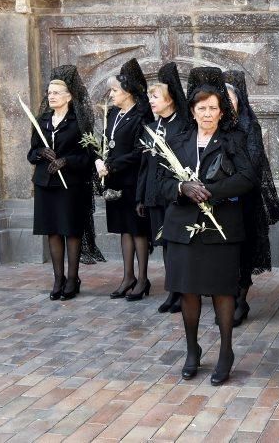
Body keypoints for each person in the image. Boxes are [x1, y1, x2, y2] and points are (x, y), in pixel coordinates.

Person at [159, 67, 256, 386]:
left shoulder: (233, 139)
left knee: (222, 293)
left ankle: (226, 352)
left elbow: (247, 178)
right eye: (202, 108)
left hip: (221, 228)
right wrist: (182, 189)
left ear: (221, 109)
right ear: (192, 110)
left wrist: (212, 192)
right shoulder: (177, 138)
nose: (208, 113)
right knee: (187, 291)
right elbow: (159, 182)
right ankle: (192, 350)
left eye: (213, 107)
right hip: (182, 229)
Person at [28, 65, 105, 300]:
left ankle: (73, 278)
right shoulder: (42, 120)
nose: (51, 96)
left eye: (56, 93)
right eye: (49, 93)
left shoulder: (77, 122)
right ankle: (58, 278)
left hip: (71, 185)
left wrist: (65, 161)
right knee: (52, 231)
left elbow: (88, 155)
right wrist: (42, 152)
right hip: (45, 184)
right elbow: (31, 153)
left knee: (71, 230)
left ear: (69, 96)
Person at [223, 70, 279, 327]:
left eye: (231, 98)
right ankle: (230, 296)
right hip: (223, 200)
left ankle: (241, 300)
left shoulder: (250, 124)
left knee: (243, 252)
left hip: (245, 200)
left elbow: (253, 163)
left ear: (239, 99)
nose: (227, 104)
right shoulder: (219, 125)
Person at [95, 58, 154, 300]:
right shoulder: (112, 113)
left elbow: (141, 150)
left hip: (132, 180)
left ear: (128, 92)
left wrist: (112, 165)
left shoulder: (141, 115)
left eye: (115, 90)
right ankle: (127, 276)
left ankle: (142, 279)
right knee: (123, 230)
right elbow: (106, 143)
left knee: (138, 230)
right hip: (114, 181)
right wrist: (98, 160)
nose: (111, 94)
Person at [136, 62, 188, 311]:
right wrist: (141, 197)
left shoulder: (182, 126)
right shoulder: (151, 127)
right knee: (165, 243)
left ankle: (181, 291)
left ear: (169, 101)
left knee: (176, 243)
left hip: (174, 195)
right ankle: (172, 291)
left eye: (155, 97)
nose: (151, 101)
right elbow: (145, 165)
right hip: (154, 194)